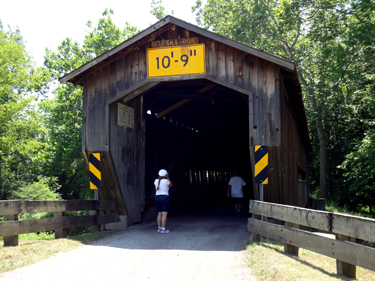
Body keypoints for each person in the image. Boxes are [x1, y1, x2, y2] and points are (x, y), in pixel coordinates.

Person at [154, 169, 172, 233]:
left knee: (159, 213)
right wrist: (168, 178)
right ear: (165, 175)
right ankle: (163, 228)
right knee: (164, 214)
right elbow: (170, 185)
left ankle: (159, 228)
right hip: (164, 197)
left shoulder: (156, 181)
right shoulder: (166, 181)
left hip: (157, 197)